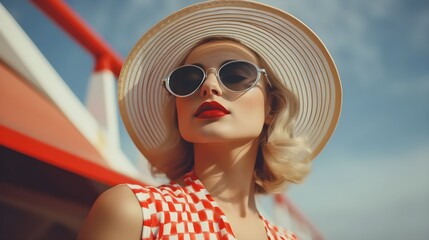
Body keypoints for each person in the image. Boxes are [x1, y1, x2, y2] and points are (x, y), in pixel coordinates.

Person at [78, 1, 342, 240]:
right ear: (178, 107)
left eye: (237, 75)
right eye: (188, 80)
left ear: (271, 107)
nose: (209, 86)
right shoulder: (133, 212)